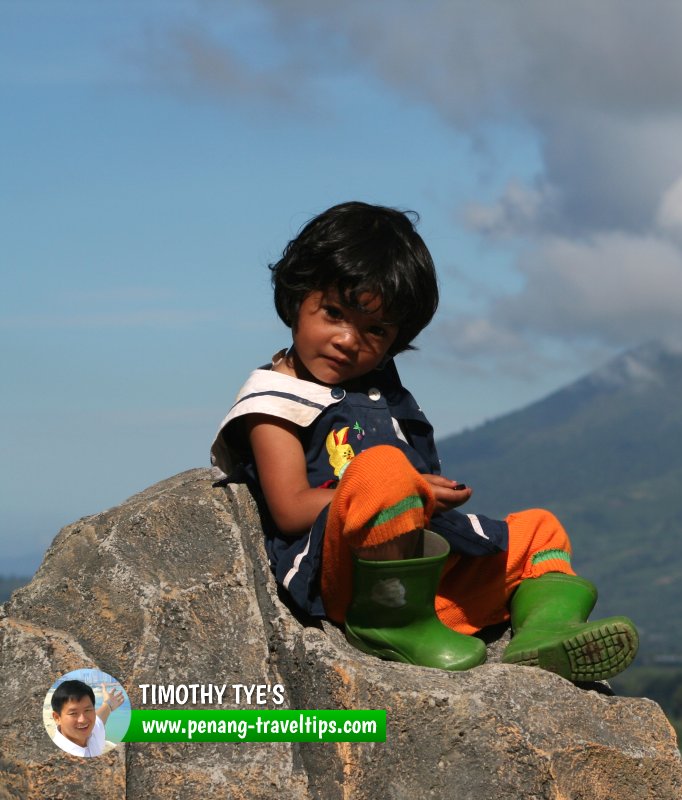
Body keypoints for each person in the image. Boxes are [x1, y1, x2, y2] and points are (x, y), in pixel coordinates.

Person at [211, 201, 638, 681]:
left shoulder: (373, 381)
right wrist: (406, 488)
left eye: (376, 330)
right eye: (334, 313)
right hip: (350, 580)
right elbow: (289, 508)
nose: (349, 340)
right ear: (296, 297)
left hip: (424, 566)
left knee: (539, 530)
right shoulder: (275, 398)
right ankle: (391, 621)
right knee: (381, 469)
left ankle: (544, 631)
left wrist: (426, 495)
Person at [50, 680, 124, 757]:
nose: (83, 720)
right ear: (57, 718)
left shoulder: (92, 732)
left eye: (87, 710)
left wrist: (108, 704)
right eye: (73, 713)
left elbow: (100, 718)